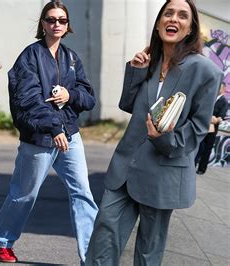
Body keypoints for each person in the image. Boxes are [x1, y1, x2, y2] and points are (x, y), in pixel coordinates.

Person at [85, 0, 224, 265]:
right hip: (125, 167)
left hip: (164, 171)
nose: (174, 19)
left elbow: (197, 128)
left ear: (191, 27)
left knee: (149, 251)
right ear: (159, 21)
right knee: (104, 235)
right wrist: (136, 71)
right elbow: (129, 105)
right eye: (168, 13)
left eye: (182, 15)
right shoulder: (150, 60)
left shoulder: (206, 71)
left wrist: (165, 138)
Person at [0, 1, 98, 264]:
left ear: (67, 25)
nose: (57, 24)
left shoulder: (72, 58)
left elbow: (88, 98)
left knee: (83, 192)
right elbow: (27, 100)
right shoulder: (30, 56)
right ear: (43, 23)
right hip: (39, 139)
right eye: (51, 20)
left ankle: (93, 256)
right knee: (25, 193)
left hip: (70, 136)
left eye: (62, 20)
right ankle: (1, 240)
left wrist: (70, 94)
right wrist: (54, 128)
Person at [195, 83, 228, 174]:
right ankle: (193, 164)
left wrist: (213, 118)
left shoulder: (224, 102)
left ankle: (202, 169)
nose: (217, 89)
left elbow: (220, 117)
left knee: (206, 149)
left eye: (219, 88)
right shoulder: (211, 98)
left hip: (211, 130)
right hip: (202, 126)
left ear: (223, 89)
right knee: (198, 147)